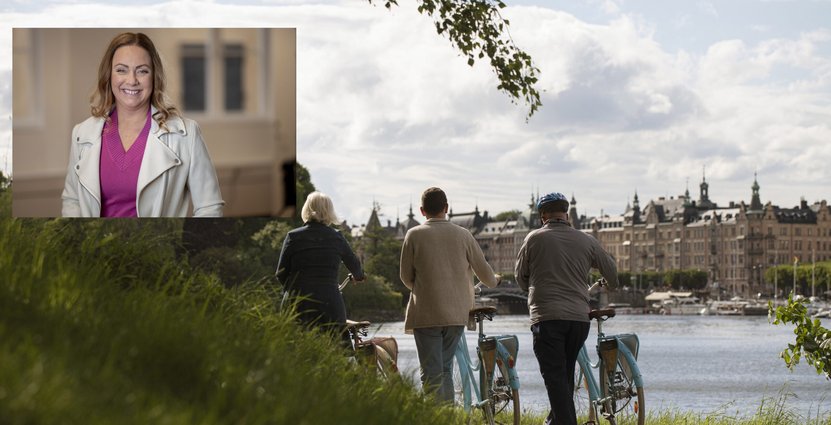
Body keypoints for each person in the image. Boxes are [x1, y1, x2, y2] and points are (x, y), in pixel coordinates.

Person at [62, 32, 223, 217]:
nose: (132, 80)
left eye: (142, 71)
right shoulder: (82, 134)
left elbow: (209, 208)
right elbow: (72, 201)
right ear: (109, 75)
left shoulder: (186, 135)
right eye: (121, 70)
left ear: (154, 77)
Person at [515, 192, 618, 425]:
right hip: (579, 321)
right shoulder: (587, 240)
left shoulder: (533, 239)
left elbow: (520, 278)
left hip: (547, 317)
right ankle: (555, 420)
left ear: (543, 216)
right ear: (566, 214)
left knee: (554, 377)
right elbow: (611, 273)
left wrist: (534, 285)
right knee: (564, 375)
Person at [399, 187, 500, 403]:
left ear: (422, 210)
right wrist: (496, 279)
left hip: (426, 314)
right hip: (456, 314)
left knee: (431, 373)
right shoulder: (464, 235)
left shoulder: (413, 235)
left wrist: (424, 289)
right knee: (444, 369)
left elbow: (406, 277)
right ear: (446, 208)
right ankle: (448, 415)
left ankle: (438, 417)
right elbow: (488, 277)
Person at [276, 192, 365, 347]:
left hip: (297, 303)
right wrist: (359, 276)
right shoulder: (337, 237)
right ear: (329, 212)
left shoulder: (293, 236)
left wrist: (293, 289)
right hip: (329, 303)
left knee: (293, 350)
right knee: (337, 352)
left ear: (306, 210)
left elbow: (281, 273)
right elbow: (356, 268)